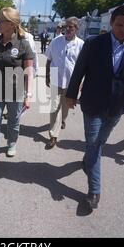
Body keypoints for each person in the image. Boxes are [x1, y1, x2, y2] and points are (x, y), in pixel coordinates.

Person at [66, 5, 124, 210]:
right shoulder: (94, 43)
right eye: (119, 25)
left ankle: (88, 160)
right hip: (92, 103)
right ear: (111, 23)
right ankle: (94, 191)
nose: (123, 29)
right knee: (95, 144)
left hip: (117, 107)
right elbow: (80, 69)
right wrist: (71, 94)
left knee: (98, 142)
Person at [0, 7, 34, 181]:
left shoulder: (23, 43)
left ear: (10, 24)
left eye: (1, 20)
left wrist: (28, 94)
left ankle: (12, 142)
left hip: (16, 92)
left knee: (13, 122)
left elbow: (29, 71)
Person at [45, 16, 84, 149]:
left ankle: (63, 119)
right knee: (54, 107)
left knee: (66, 106)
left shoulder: (81, 44)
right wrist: (47, 75)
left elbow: (82, 66)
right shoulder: (55, 41)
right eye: (66, 26)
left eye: (71, 27)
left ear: (76, 29)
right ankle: (53, 135)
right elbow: (49, 59)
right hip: (56, 77)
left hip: (71, 81)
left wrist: (81, 82)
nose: (67, 29)